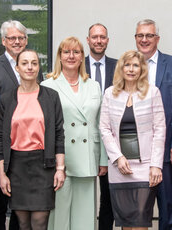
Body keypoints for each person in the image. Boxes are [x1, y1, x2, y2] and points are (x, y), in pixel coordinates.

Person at [0, 49, 66, 230]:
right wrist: (2, 174)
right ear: (17, 68)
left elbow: (59, 134)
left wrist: (60, 169)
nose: (30, 67)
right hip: (16, 167)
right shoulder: (6, 99)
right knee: (23, 224)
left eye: (34, 63)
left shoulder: (51, 97)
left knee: (40, 222)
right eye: (25, 63)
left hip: (43, 166)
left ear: (38, 67)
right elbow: (0, 139)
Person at [42, 36, 107, 230]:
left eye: (76, 52)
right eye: (66, 52)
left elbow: (100, 124)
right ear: (59, 57)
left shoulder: (93, 85)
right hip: (60, 158)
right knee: (59, 215)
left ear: (82, 58)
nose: (71, 56)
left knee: (85, 215)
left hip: (88, 156)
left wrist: (103, 159)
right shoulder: (48, 86)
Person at [99, 50, 166, 229]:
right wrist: (117, 157)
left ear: (142, 69)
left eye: (135, 65)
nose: (131, 69)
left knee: (140, 221)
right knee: (125, 222)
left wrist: (156, 165)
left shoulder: (153, 92)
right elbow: (104, 129)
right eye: (127, 65)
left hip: (145, 168)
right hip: (119, 168)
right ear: (121, 68)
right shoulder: (109, 93)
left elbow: (160, 130)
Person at [0, 20, 39, 230]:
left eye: (21, 38)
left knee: (20, 203)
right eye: (12, 38)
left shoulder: (33, 65)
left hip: (26, 147)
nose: (17, 42)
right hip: (1, 143)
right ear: (3, 41)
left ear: (26, 40)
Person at [134, 19, 172, 230]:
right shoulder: (128, 64)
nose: (145, 40)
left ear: (157, 38)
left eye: (149, 35)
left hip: (166, 149)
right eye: (140, 36)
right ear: (136, 38)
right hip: (135, 151)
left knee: (168, 204)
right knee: (137, 206)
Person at [84, 22, 117, 230]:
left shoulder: (119, 66)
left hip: (111, 140)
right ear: (88, 40)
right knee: (84, 193)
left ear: (107, 40)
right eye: (94, 37)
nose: (98, 40)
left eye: (102, 37)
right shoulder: (77, 65)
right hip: (84, 138)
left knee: (109, 196)